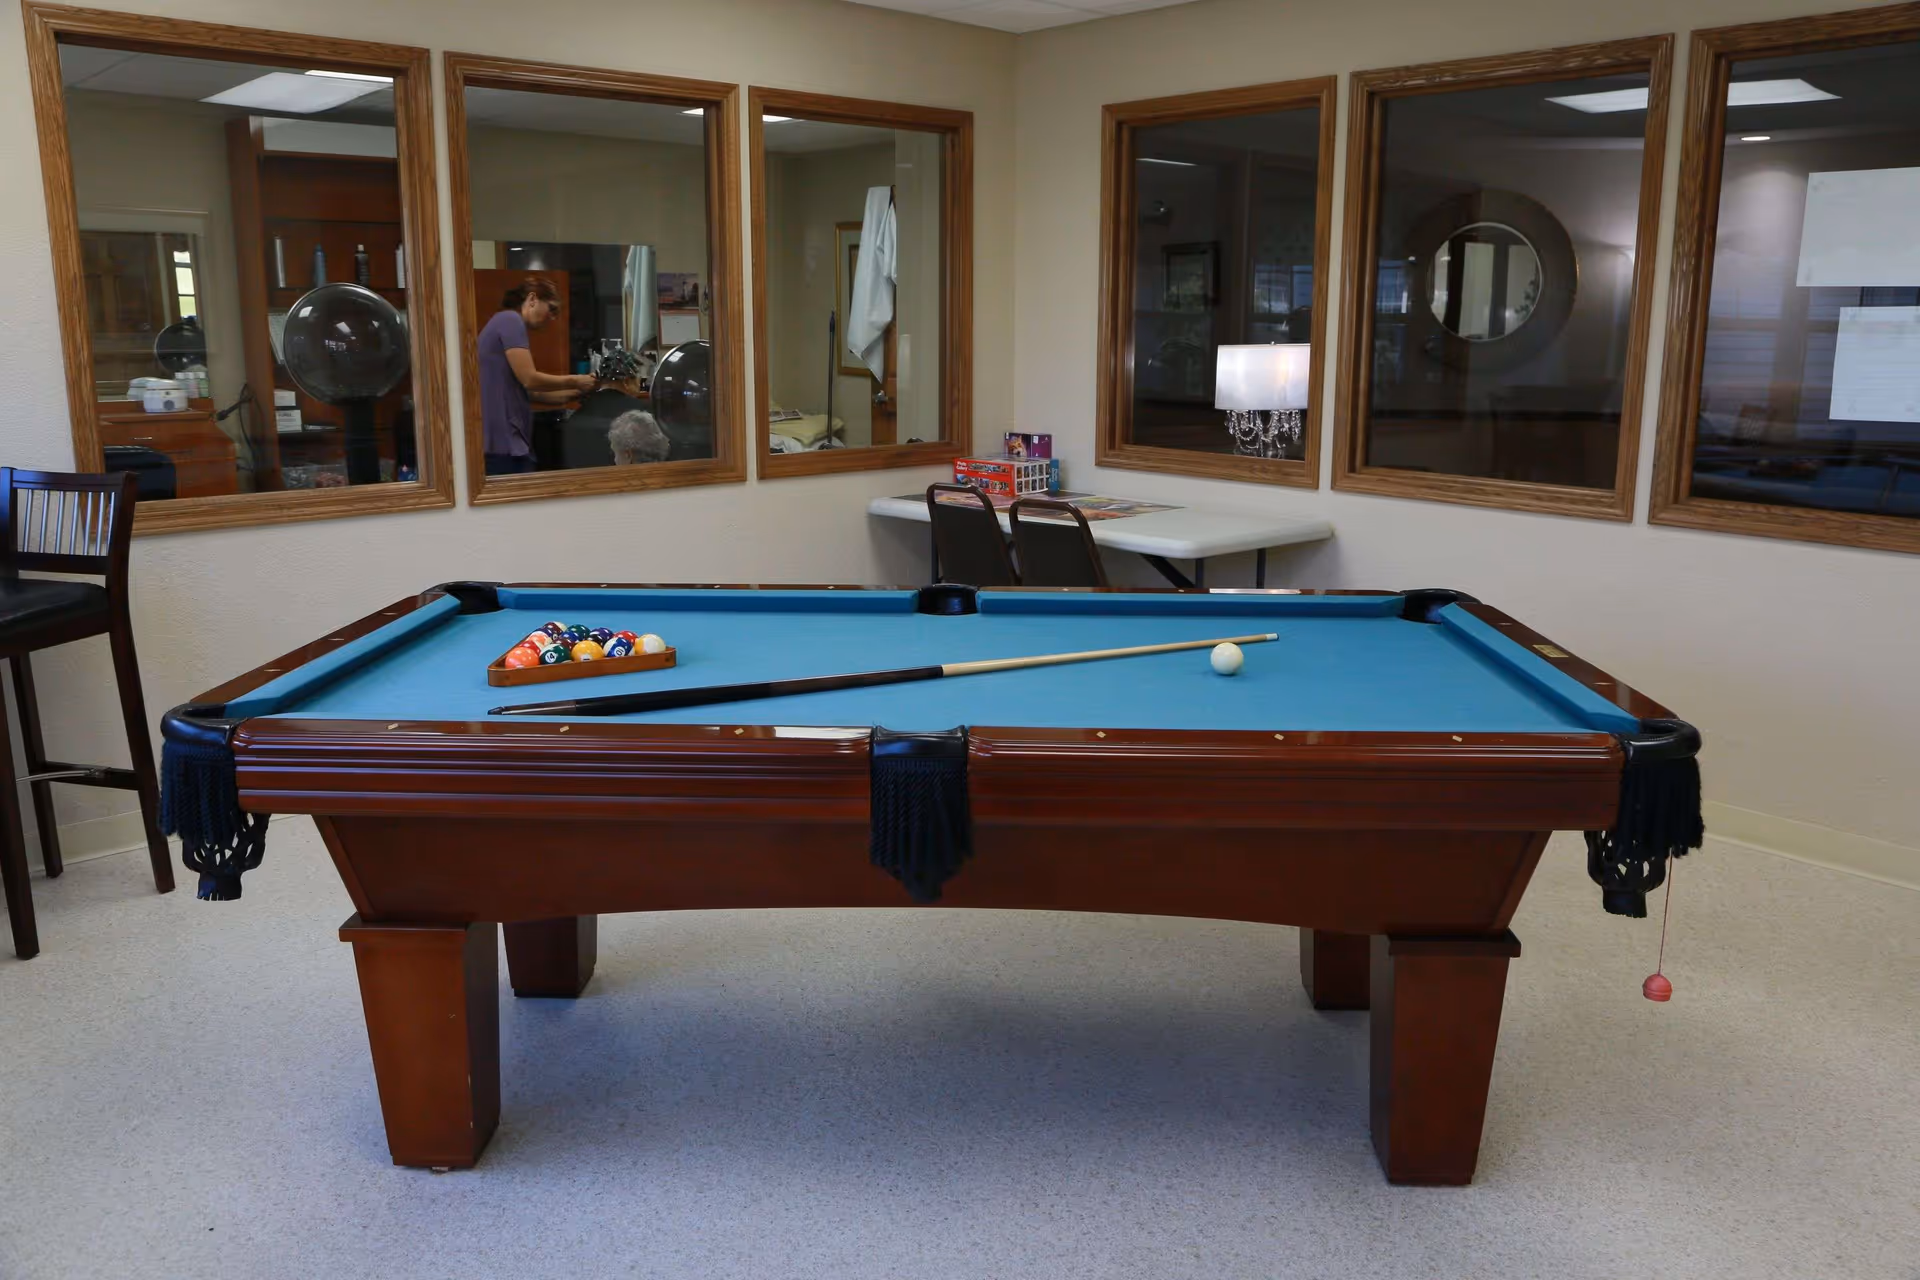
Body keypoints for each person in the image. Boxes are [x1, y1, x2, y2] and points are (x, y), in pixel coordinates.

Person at [477, 277, 596, 474]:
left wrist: (577, 393)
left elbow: (534, 394)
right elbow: (530, 380)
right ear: (532, 299)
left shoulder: (504, 322)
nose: (553, 317)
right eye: (551, 308)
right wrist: (576, 380)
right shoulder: (510, 320)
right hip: (504, 446)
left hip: (506, 445)